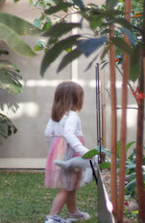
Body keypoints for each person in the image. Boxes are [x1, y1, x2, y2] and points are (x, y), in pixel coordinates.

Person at [42, 81, 92, 223]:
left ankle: (73, 212)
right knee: (66, 188)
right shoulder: (72, 116)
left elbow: (48, 133)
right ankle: (52, 217)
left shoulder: (56, 116)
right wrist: (83, 151)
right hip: (70, 156)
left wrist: (54, 150)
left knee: (70, 185)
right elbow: (69, 134)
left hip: (59, 154)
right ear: (76, 99)